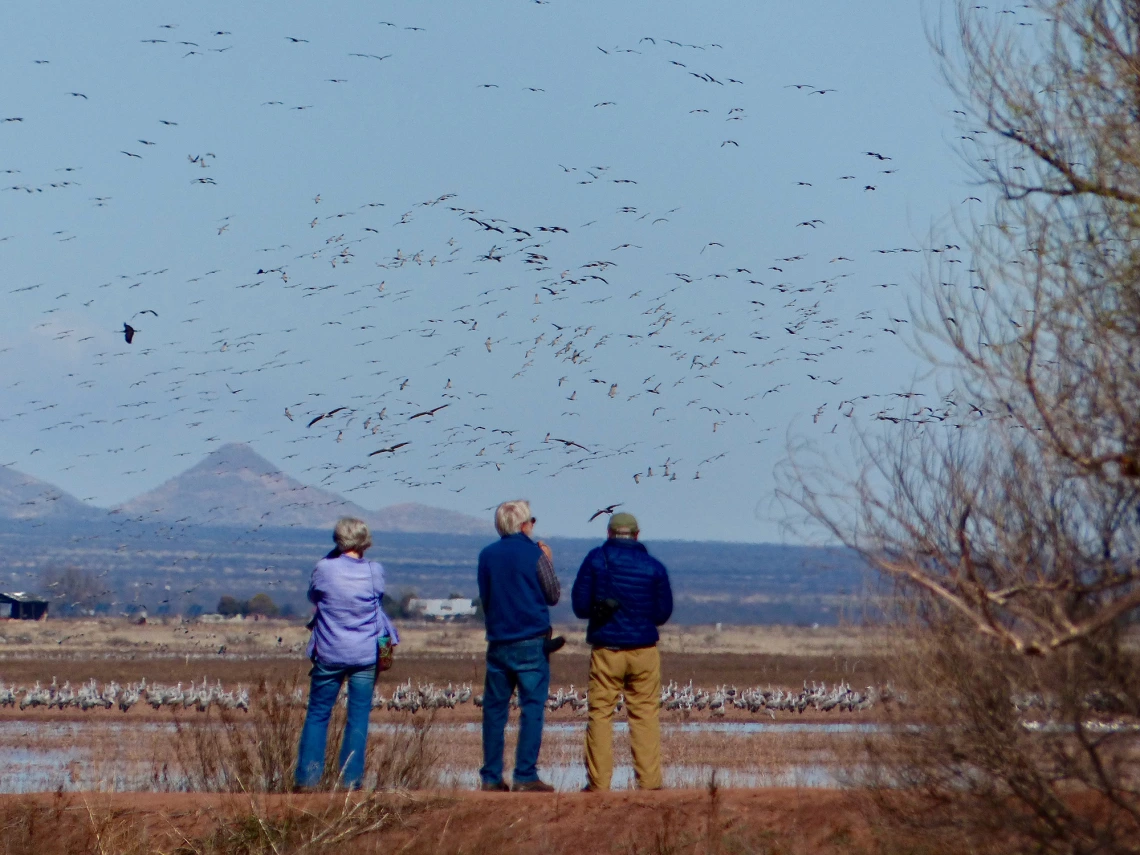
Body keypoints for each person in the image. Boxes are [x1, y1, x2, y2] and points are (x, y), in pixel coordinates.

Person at [295, 517, 398, 791]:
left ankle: (308, 780)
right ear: (365, 541)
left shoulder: (324, 569)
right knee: (358, 716)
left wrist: (333, 556)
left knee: (318, 714)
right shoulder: (375, 572)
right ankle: (350, 782)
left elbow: (313, 596)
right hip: (365, 655)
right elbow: (378, 598)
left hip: (329, 652)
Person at [572, 512, 672, 791]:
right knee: (645, 714)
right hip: (644, 651)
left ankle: (599, 784)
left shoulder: (595, 560)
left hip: (607, 650)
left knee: (601, 714)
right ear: (638, 535)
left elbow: (579, 607)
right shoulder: (654, 567)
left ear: (608, 534)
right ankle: (650, 783)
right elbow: (663, 613)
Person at [477, 499, 561, 792]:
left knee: (495, 711)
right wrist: (548, 561)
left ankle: (490, 776)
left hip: (498, 641)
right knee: (532, 708)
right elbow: (553, 595)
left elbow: (485, 599)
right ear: (525, 525)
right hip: (531, 641)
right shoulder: (534, 554)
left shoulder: (486, 556)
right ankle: (525, 775)